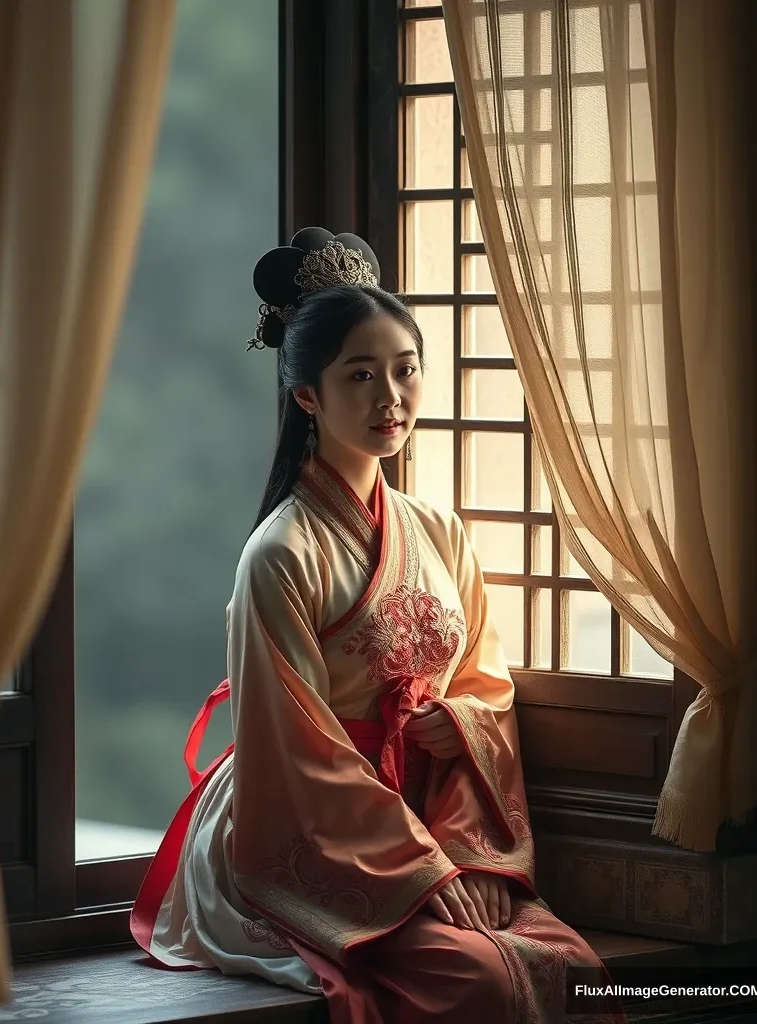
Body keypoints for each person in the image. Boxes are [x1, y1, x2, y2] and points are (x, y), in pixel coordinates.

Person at [130, 227, 624, 1023]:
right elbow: (301, 750)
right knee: (482, 980)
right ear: (307, 396)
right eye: (360, 376)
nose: (389, 397)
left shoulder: (439, 529)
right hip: (307, 824)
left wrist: (458, 767)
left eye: (405, 370)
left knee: (572, 969)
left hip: (432, 813)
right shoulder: (281, 553)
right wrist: (425, 871)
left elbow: (481, 690)